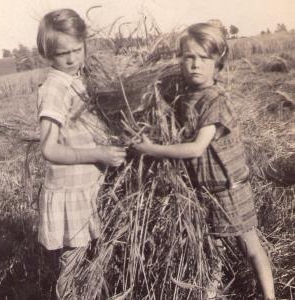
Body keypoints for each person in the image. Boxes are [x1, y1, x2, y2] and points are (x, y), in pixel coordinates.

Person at [133, 23, 275, 300]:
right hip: (205, 190)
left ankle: (270, 297)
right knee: (210, 246)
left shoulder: (216, 101)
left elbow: (197, 148)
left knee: (250, 246)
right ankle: (211, 292)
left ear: (218, 64)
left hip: (229, 189)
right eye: (189, 57)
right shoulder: (186, 96)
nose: (195, 64)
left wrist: (152, 149)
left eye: (204, 58)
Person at [36, 8, 126, 299]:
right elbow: (49, 149)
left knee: (89, 254)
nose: (73, 59)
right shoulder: (53, 90)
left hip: (87, 184)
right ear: (48, 53)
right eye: (64, 54)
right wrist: (98, 153)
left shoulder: (77, 80)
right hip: (70, 189)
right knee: (73, 261)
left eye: (77, 49)